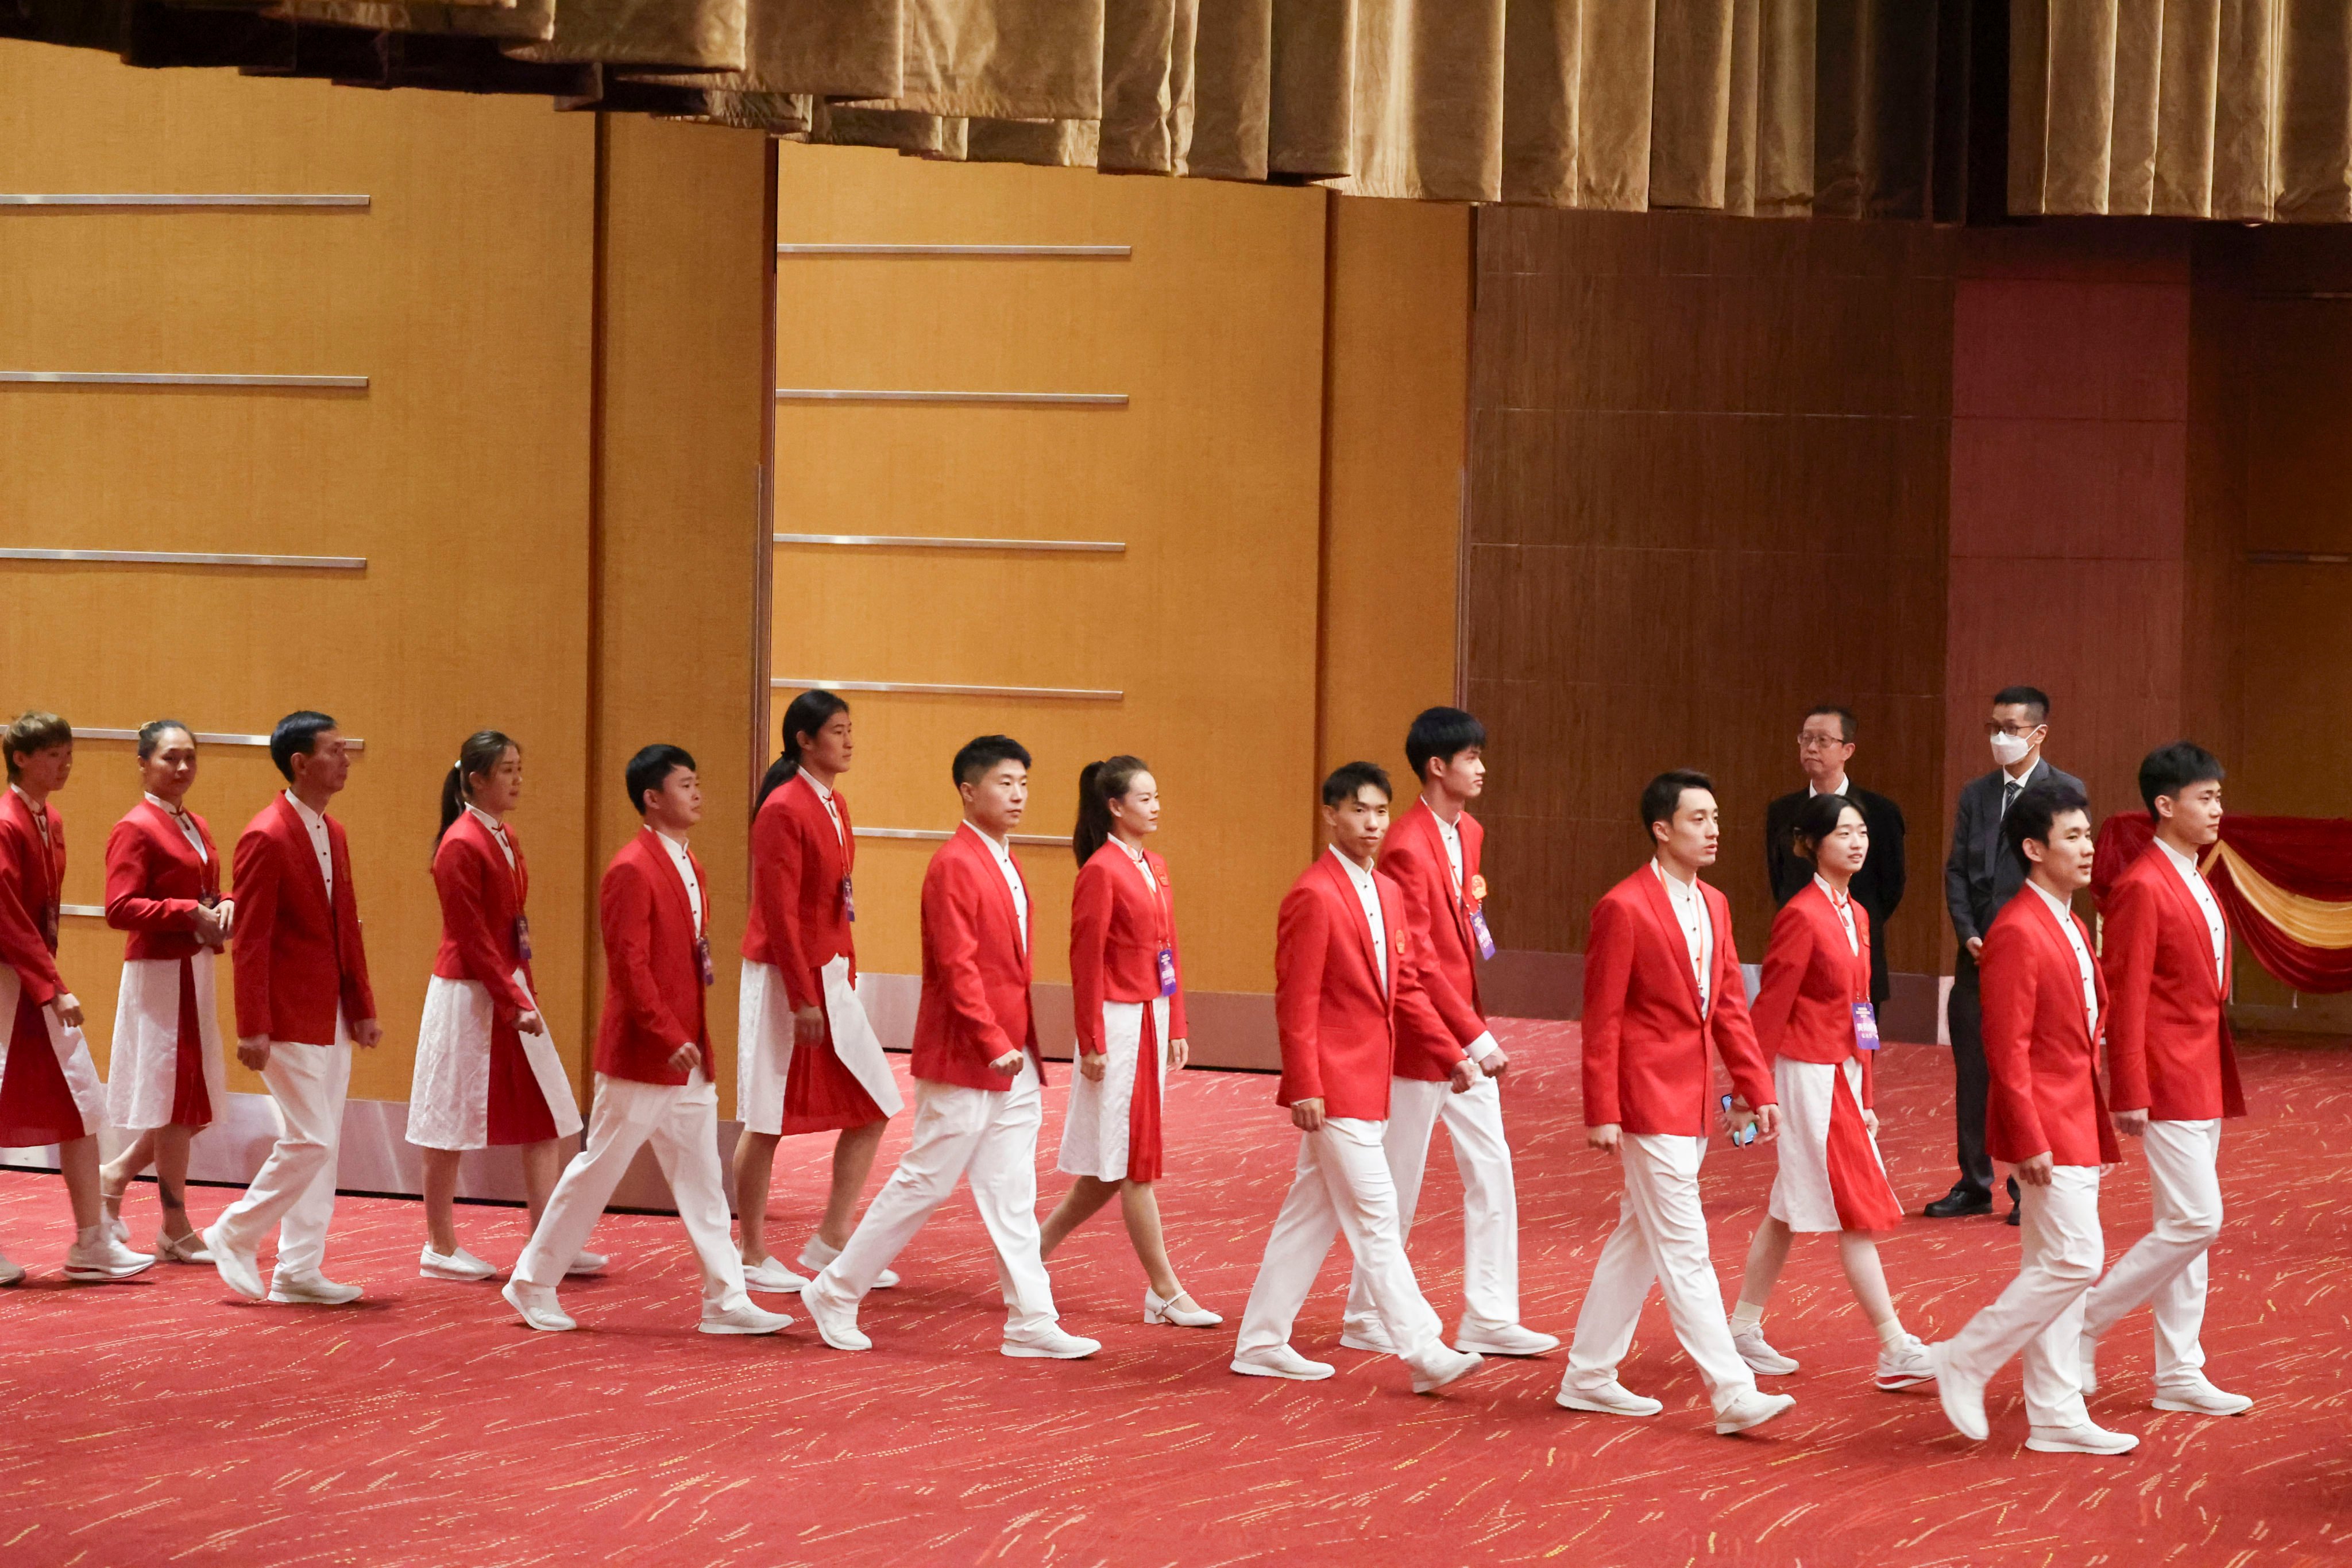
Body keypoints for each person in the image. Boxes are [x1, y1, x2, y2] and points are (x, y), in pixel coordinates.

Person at [800, 736, 1098, 1360]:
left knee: (1013, 1191)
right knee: (925, 1183)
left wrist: (1011, 1044)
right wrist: (992, 1041)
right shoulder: (954, 864)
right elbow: (956, 966)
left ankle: (1030, 1320)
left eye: (1023, 783)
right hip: (968, 1056)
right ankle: (836, 1289)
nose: (1017, 795)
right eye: (1004, 783)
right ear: (969, 791)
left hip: (1011, 1058)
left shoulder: (1005, 862)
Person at [501, 746, 787, 1336]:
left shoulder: (691, 864)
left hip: (686, 1055)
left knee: (704, 1180)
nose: (698, 793)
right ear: (653, 798)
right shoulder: (631, 867)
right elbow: (628, 966)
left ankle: (725, 1298)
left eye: (697, 781)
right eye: (686, 784)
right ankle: (532, 1282)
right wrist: (665, 1034)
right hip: (642, 1056)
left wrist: (693, 1042)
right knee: (597, 1171)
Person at [1230, 761, 1484, 1395]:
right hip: (1335, 1085)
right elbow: (1296, 999)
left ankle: (1261, 1340)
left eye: (1379, 811)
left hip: (1371, 1080)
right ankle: (1424, 1348)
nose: (1371, 824)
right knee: (1376, 1213)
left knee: (1310, 1214)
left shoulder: (1387, 893)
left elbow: (1403, 989)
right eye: (1358, 811)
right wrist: (1306, 1082)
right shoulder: (1312, 894)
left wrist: (1450, 1053)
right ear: (1331, 815)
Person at [1556, 769, 1793, 1435]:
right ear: (1662, 829)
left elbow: (1729, 1010)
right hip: (1643, 1099)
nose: (1713, 829)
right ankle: (1732, 1389)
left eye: (1716, 817)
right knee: (1686, 1246)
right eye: (1698, 818)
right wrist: (1600, 1109)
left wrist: (1754, 1087)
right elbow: (1600, 1018)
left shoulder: (1714, 904)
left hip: (1687, 1099)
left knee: (1639, 1239)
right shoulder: (1623, 906)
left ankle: (1589, 1373)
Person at [1929, 779, 2138, 1455]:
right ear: (2032, 848)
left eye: (2087, 835)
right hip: (2046, 1123)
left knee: (2056, 1260)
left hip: (2076, 1114)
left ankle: (2055, 1412)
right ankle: (1966, 1356)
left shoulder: (2072, 922)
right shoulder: (2017, 928)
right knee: (2078, 1259)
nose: (2087, 848)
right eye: (2073, 837)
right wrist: (2024, 1136)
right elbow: (2005, 1046)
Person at [1339, 708, 1555, 1358]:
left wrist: (1472, 1029)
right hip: (1422, 1036)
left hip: (1461, 1025)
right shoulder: (1405, 843)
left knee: (1492, 1168)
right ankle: (1366, 1314)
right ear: (1439, 767)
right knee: (1397, 1180)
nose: (1483, 768)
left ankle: (1489, 1313)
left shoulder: (1471, 832)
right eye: (1472, 758)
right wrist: (1472, 1036)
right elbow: (1418, 957)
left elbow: (1463, 933)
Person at [1727, 792, 1932, 1391]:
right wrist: (1749, 1087)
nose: (1858, 842)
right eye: (1843, 833)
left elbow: (1863, 1010)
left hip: (1842, 1073)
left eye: (1862, 831)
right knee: (1855, 1210)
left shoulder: (1859, 914)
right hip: (1806, 1074)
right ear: (1812, 845)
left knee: (1789, 1208)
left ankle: (1741, 1327)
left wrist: (1868, 1093)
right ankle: (1894, 1346)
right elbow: (1771, 1008)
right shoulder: (1801, 914)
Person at [2077, 743, 2251, 1417]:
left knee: (2187, 1223)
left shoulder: (2194, 876)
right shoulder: (2144, 886)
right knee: (2198, 1220)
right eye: (2205, 798)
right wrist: (2128, 1089)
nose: (2217, 809)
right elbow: (2125, 996)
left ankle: (2179, 1370)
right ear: (2165, 805)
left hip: (2203, 1069)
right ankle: (2083, 1323)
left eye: (2216, 797)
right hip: (2165, 1075)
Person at [203, 711, 383, 1305]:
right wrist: (253, 1025)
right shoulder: (266, 834)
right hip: (285, 1015)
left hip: (329, 1011)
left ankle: (299, 1270)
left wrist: (361, 1006)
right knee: (311, 1139)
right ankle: (235, 1232)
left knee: (322, 1144)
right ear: (301, 763)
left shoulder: (334, 833)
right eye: (334, 750)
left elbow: (346, 928)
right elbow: (249, 940)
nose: (345, 759)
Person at [1039, 755, 1216, 1327]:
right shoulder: (1101, 870)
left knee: (1117, 1163)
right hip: (1116, 1023)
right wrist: (1090, 1039)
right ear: (1115, 807)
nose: (1156, 806)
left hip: (1153, 1016)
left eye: (1156, 795)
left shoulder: (1155, 865)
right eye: (1145, 798)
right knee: (1133, 1162)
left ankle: (1029, 1253)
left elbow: (1172, 951)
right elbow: (1085, 961)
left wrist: (1179, 1024)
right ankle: (1164, 1290)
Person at [733, 690, 901, 1295]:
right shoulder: (783, 807)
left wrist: (843, 975)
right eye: (837, 730)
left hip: (828, 974)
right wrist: (802, 996)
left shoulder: (833, 802)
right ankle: (751, 1251)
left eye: (851, 729)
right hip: (785, 977)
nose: (849, 741)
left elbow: (837, 904)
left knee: (874, 1104)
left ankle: (832, 1239)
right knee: (766, 1114)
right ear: (805, 740)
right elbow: (777, 913)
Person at [407, 731, 586, 1281]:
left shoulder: (502, 834)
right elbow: (471, 937)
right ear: (476, 780)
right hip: (468, 995)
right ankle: (439, 1245)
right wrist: (513, 998)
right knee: (447, 1120)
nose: (517, 780)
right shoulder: (461, 843)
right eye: (506, 770)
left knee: (546, 1112)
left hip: (506, 985)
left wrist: (519, 989)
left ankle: (546, 1240)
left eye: (518, 768)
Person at [0, 713, 149, 1286]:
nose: (66, 764)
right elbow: (9, 918)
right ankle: (92, 1240)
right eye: (54, 755)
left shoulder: (48, 819)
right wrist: (52, 988)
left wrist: (48, 984)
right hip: (12, 983)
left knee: (83, 1103)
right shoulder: (8, 821)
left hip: (32, 981)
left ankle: (93, 1240)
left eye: (67, 754)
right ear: (21, 759)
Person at [1931, 686, 2084, 1224]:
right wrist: (1969, 933)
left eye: (2010, 729)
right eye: (1992, 727)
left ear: (2039, 733)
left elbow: (2067, 875)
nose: (1998, 738)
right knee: (1973, 1070)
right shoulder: (1976, 795)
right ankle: (1974, 1182)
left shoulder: (2065, 790)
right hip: (1977, 956)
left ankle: (2026, 1187)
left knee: (2025, 1071)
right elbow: (1955, 871)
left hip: (2034, 956)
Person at [98, 720, 232, 1265]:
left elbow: (207, 887)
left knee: (193, 1101)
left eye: (190, 759)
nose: (181, 768)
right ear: (143, 763)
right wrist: (187, 913)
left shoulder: (193, 822)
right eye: (170, 758)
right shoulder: (135, 826)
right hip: (159, 974)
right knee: (178, 1103)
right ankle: (174, 1224)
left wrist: (226, 902)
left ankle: (116, 1175)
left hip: (194, 969)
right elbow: (118, 908)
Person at [1763, 705, 1907, 1007]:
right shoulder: (1782, 811)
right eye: (1805, 739)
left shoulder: (1880, 812)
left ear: (1848, 750)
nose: (1811, 747)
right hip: (1799, 951)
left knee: (1861, 1050)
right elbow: (1779, 879)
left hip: (1858, 951)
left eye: (1823, 741)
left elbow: (1891, 886)